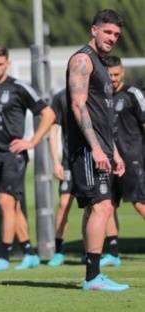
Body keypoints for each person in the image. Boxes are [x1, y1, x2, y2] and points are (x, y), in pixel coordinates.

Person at [0, 45, 55, 271]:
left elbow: (48, 114)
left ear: (7, 64)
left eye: (0, 64)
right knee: (13, 207)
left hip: (14, 156)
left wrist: (32, 141)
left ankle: (4, 255)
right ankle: (29, 252)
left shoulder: (19, 88)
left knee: (5, 202)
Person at [65, 9, 129, 291]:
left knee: (97, 209)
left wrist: (113, 151)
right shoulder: (82, 60)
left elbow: (102, 115)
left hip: (101, 149)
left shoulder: (102, 66)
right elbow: (78, 105)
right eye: (107, 32)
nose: (112, 38)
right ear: (94, 30)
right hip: (87, 150)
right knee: (101, 207)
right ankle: (93, 277)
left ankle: (94, 274)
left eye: (116, 34)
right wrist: (96, 148)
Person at [101, 55, 145, 267]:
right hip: (108, 162)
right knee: (108, 205)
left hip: (133, 159)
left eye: (116, 75)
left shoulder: (133, 94)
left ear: (123, 72)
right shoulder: (101, 98)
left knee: (140, 203)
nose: (113, 79)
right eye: (109, 76)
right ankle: (112, 252)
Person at [46, 89, 77, 266]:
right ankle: (58, 251)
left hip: (90, 162)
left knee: (94, 207)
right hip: (68, 163)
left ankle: (92, 252)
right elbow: (53, 130)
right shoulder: (59, 97)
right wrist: (55, 162)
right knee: (64, 204)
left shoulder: (93, 91)